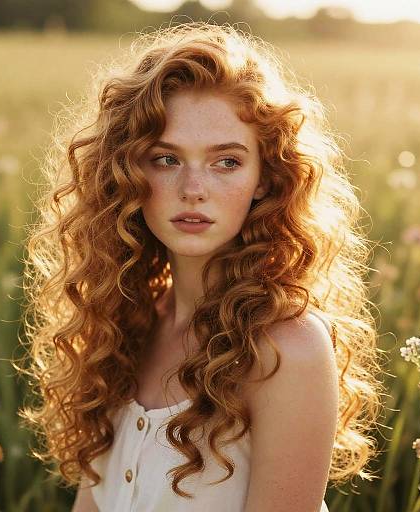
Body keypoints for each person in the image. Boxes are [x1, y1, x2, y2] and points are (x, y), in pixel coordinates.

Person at [19, 21, 385, 512]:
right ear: (127, 173)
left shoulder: (286, 348)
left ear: (265, 177)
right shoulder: (123, 322)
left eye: (226, 162)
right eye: (166, 159)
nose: (194, 188)